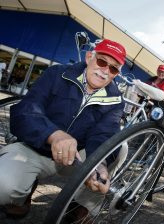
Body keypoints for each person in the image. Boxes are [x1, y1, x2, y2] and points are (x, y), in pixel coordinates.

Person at [0, 39, 127, 220]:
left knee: (120, 148)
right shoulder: (57, 73)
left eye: (114, 68)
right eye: (102, 61)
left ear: (116, 74)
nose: (105, 70)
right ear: (89, 57)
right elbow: (25, 110)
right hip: (33, 149)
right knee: (3, 185)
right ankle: (21, 196)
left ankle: (81, 206)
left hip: (75, 159)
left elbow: (104, 133)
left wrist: (99, 163)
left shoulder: (116, 100)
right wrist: (53, 135)